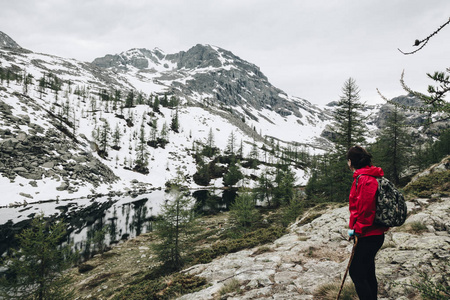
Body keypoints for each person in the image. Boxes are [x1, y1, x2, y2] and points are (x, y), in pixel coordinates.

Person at [346, 146, 389, 300]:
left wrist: (357, 231)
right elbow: (357, 212)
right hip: (371, 233)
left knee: (356, 272)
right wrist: (352, 232)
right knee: (368, 271)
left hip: (368, 235)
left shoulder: (365, 179)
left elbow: (366, 211)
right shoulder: (368, 176)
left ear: (351, 162)